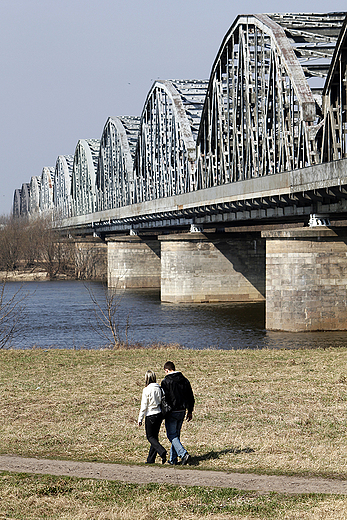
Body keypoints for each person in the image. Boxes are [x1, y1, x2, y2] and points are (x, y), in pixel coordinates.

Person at [161, 361, 194, 466]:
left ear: (166, 370)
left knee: (171, 435)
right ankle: (173, 459)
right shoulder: (184, 380)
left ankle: (183, 454)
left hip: (172, 411)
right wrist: (190, 411)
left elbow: (164, 398)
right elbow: (190, 396)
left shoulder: (166, 381)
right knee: (176, 435)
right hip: (182, 410)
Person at [138, 370, 167, 464]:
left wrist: (140, 418)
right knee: (154, 437)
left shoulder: (146, 390)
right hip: (159, 414)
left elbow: (144, 406)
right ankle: (150, 460)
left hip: (150, 414)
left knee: (150, 437)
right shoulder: (159, 388)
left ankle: (162, 451)